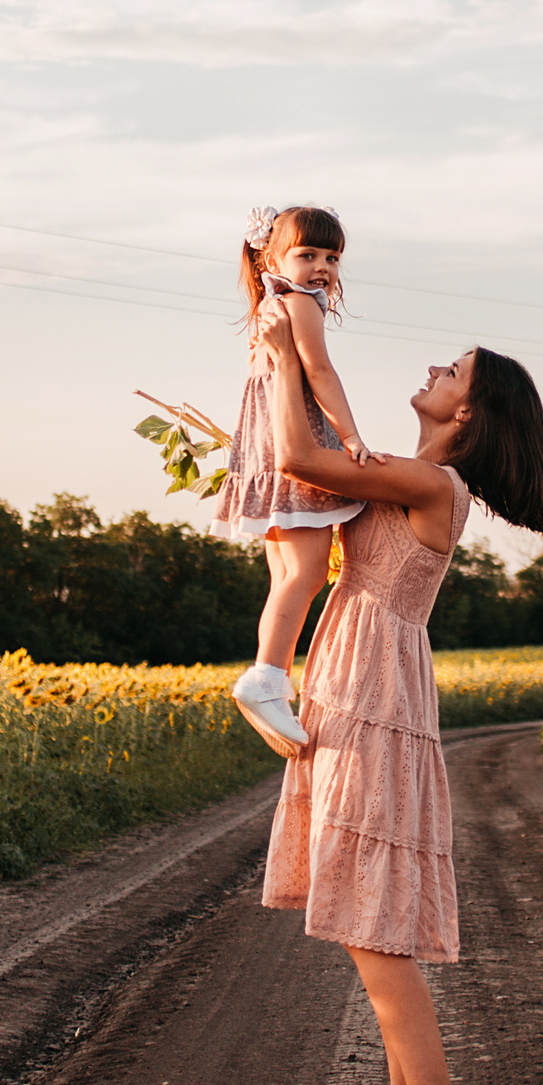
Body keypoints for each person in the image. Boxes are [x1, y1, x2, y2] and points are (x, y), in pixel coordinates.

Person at [253, 307, 543, 1085]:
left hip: (373, 684)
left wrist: (286, 351)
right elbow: (303, 485)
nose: (435, 370)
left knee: (368, 907)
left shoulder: (437, 486)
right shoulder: (402, 473)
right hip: (350, 668)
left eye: (453, 371)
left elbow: (300, 458)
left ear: (467, 414)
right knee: (360, 892)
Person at [213, 205, 371, 750]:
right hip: (296, 450)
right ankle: (266, 679)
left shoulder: (270, 309)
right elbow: (320, 372)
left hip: (262, 456)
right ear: (271, 258)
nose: (322, 266)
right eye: (307, 255)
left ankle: (268, 679)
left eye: (333, 257)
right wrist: (349, 436)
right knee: (306, 575)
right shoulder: (299, 305)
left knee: (285, 578)